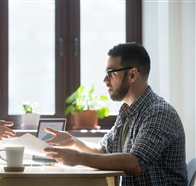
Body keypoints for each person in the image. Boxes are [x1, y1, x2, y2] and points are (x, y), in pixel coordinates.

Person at [44, 43, 188, 185]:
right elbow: (103, 150)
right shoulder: (127, 111)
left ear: (132, 75)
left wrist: (79, 158)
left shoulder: (159, 113)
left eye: (111, 73)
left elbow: (134, 163)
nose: (105, 80)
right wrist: (74, 142)